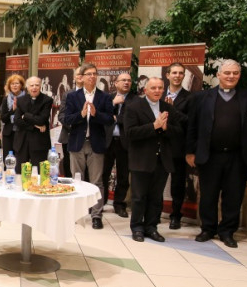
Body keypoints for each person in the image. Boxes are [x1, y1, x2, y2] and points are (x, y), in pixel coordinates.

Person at [186, 60, 247, 248]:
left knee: (233, 196)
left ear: (239, 75)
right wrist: (190, 152)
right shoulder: (201, 98)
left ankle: (227, 231)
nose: (231, 76)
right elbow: (192, 127)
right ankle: (208, 229)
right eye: (227, 73)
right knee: (208, 195)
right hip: (210, 156)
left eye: (235, 73)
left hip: (238, 157)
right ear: (218, 75)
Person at [125, 77, 179, 242]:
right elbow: (130, 133)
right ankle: (137, 227)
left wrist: (165, 128)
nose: (157, 91)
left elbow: (179, 132)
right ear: (145, 90)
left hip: (162, 160)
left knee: (156, 197)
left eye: (160, 88)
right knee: (139, 197)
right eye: (153, 88)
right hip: (141, 160)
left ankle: (151, 227)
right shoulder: (133, 107)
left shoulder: (168, 107)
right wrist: (153, 127)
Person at [63, 62, 113, 229]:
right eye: (89, 74)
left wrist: (96, 114)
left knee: (97, 181)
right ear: (82, 77)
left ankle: (96, 215)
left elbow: (109, 120)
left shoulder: (104, 97)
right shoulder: (72, 96)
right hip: (77, 143)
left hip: (96, 144)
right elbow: (66, 119)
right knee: (77, 180)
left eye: (94, 74)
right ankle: (77, 213)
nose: (92, 76)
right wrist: (81, 114)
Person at [164, 62, 194, 229]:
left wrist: (172, 110)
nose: (177, 76)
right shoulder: (158, 93)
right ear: (167, 75)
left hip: (178, 146)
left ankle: (175, 215)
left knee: (177, 184)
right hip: (158, 145)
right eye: (174, 72)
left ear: (184, 76)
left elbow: (190, 122)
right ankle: (153, 212)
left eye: (180, 73)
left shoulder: (190, 98)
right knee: (156, 182)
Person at [102, 72, 133, 218]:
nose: (126, 83)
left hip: (124, 142)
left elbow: (131, 119)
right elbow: (101, 115)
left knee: (123, 176)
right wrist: (113, 104)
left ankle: (119, 204)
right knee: (103, 174)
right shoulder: (108, 98)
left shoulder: (135, 100)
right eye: (123, 80)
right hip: (107, 141)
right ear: (116, 83)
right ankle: (100, 202)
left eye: (129, 80)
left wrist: (116, 118)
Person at [14, 76, 53, 168]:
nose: (34, 87)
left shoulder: (47, 100)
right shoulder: (21, 100)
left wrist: (26, 115)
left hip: (39, 143)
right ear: (27, 87)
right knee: (20, 172)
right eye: (31, 85)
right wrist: (34, 126)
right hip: (22, 142)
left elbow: (41, 120)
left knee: (40, 172)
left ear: (40, 86)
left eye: (37, 85)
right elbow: (17, 120)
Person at [58, 67, 84, 178]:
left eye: (83, 74)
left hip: (88, 139)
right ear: (74, 77)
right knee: (69, 171)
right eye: (78, 74)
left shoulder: (95, 94)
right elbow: (61, 116)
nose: (80, 76)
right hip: (69, 136)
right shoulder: (67, 94)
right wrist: (73, 126)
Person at [0, 74, 26, 162]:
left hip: (22, 132)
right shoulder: (6, 99)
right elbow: (3, 118)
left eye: (17, 83)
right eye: (12, 84)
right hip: (8, 133)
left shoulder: (27, 98)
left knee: (20, 159)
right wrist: (12, 110)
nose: (14, 86)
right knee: (8, 160)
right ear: (9, 86)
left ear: (21, 85)